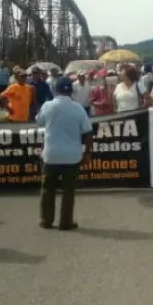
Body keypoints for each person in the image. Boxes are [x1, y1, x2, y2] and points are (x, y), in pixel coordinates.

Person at [36, 78, 93, 230]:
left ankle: (46, 220)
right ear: (71, 92)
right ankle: (65, 222)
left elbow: (39, 121)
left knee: (48, 189)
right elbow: (88, 132)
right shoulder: (78, 108)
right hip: (72, 157)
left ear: (56, 90)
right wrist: (87, 153)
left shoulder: (47, 106)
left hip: (51, 155)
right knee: (69, 191)